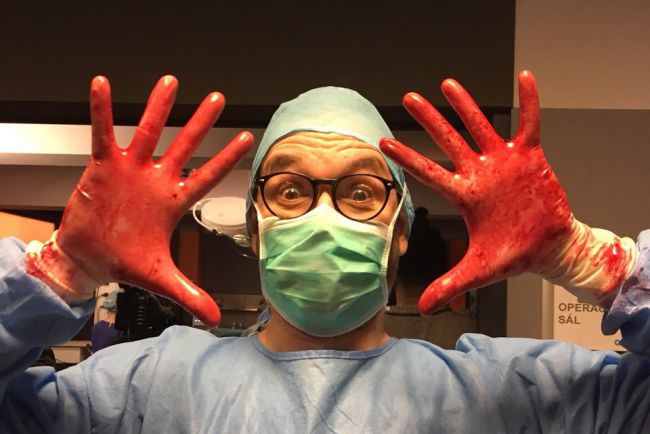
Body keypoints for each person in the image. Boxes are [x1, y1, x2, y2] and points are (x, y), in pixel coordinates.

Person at [0, 71, 648, 433]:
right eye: (289, 191)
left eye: (362, 192)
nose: (323, 215)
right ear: (255, 227)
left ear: (400, 229)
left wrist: (586, 257)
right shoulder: (141, 390)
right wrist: (61, 269)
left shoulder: (511, 394)